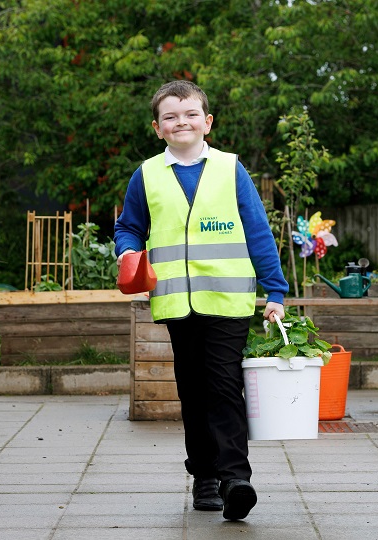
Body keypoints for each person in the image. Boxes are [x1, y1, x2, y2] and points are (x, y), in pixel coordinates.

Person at [113, 80, 288, 521]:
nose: (181, 122)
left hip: (228, 301)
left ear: (207, 122)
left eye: (190, 114)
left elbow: (258, 232)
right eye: (170, 116)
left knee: (225, 387)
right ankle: (204, 476)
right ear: (158, 128)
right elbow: (128, 227)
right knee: (192, 391)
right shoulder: (147, 175)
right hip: (176, 303)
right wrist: (127, 252)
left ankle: (236, 479)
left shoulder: (232, 169)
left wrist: (276, 291)